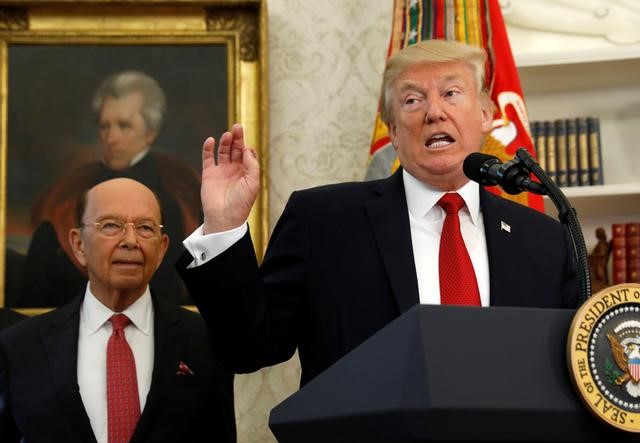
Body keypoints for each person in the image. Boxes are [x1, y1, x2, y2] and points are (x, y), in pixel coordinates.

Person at [177, 39, 578, 386]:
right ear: (392, 128)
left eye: (452, 93)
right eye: (411, 100)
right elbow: (249, 350)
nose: (434, 112)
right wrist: (224, 227)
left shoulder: (545, 240)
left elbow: (569, 371)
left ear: (487, 115)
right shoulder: (322, 222)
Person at [0, 178, 235, 442]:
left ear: (161, 249)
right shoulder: (20, 347)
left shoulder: (204, 341)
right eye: (111, 225)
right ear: (78, 245)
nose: (131, 241)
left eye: (145, 228)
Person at [19, 70, 201, 307]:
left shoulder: (172, 200)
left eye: (124, 126)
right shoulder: (71, 191)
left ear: (150, 133)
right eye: (105, 127)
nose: (110, 137)